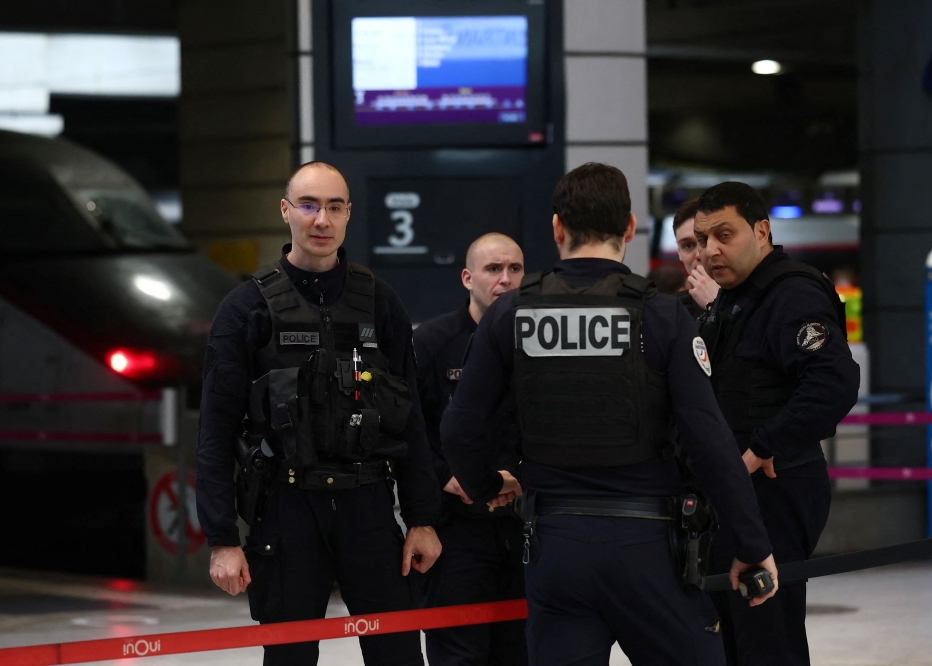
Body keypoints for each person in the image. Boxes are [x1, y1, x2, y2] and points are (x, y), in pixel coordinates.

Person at [441, 163, 779, 666]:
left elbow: (459, 429)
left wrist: (490, 487)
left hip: (555, 549)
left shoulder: (511, 313)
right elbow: (709, 440)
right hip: (648, 549)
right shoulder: (662, 315)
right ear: (629, 228)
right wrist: (752, 541)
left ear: (557, 228)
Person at [196, 161, 442, 666]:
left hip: (369, 507)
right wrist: (222, 539)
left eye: (333, 207)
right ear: (286, 212)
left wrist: (422, 518)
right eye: (308, 206)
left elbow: (411, 417)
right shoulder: (245, 309)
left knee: (397, 653)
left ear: (349, 214)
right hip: (287, 512)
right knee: (290, 659)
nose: (321, 220)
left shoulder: (380, 303)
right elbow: (215, 434)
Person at [693, 181, 860, 666]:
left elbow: (832, 385)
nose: (710, 250)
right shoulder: (734, 298)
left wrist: (763, 447)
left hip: (775, 490)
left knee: (768, 640)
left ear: (761, 230)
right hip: (737, 493)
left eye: (724, 234)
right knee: (732, 639)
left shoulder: (792, 294)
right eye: (703, 239)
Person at [414, 232, 528, 666]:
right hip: (458, 526)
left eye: (514, 269)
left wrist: (521, 476)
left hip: (522, 525)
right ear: (467, 277)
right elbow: (411, 430)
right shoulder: (432, 341)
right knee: (458, 654)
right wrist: (447, 476)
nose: (505, 279)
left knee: (521, 651)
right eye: (493, 269)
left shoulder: (540, 342)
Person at [673, 198, 720, 317]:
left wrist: (715, 306)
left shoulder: (762, 303)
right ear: (679, 252)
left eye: (705, 240)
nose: (699, 255)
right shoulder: (669, 312)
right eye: (688, 245)